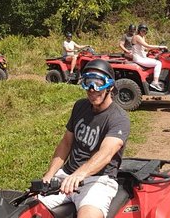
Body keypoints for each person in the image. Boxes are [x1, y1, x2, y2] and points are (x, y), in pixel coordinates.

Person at [39, 59, 130, 218]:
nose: (92, 89)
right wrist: (49, 175)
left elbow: (106, 153)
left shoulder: (118, 118)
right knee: (26, 209)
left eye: (98, 83)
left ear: (109, 86)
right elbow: (66, 143)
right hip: (66, 177)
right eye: (88, 82)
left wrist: (80, 174)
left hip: (97, 181)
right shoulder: (80, 106)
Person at [131, 24, 167, 91]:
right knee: (158, 63)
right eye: (142, 30)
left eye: (145, 31)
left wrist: (154, 51)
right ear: (139, 30)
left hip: (142, 57)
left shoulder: (142, 37)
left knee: (155, 59)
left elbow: (143, 48)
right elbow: (147, 46)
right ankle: (155, 82)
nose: (144, 32)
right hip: (139, 58)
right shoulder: (137, 37)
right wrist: (160, 47)